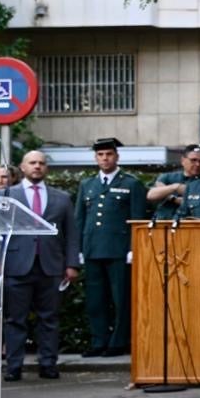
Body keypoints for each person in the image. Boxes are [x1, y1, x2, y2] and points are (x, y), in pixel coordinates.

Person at [1, 150, 80, 381]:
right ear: (22, 167)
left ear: (46, 168)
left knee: (50, 319)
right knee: (15, 320)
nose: (37, 166)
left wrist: (72, 263)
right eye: (32, 162)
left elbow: (72, 234)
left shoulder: (62, 198)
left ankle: (48, 364)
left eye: (42, 163)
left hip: (51, 266)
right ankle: (13, 366)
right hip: (17, 265)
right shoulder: (6, 194)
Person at [74, 137, 145, 356]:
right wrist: (78, 249)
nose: (105, 159)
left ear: (117, 156)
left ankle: (118, 341)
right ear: (96, 158)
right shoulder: (87, 184)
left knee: (121, 299)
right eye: (101, 155)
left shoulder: (131, 183)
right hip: (93, 248)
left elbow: (138, 218)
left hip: (119, 250)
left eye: (109, 154)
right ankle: (99, 340)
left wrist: (134, 248)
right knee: (96, 300)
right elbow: (80, 219)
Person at [147, 144, 200, 221]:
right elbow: (151, 195)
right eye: (193, 160)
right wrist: (175, 187)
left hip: (188, 224)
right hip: (163, 222)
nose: (198, 164)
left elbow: (193, 203)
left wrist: (169, 196)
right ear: (183, 160)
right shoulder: (168, 177)